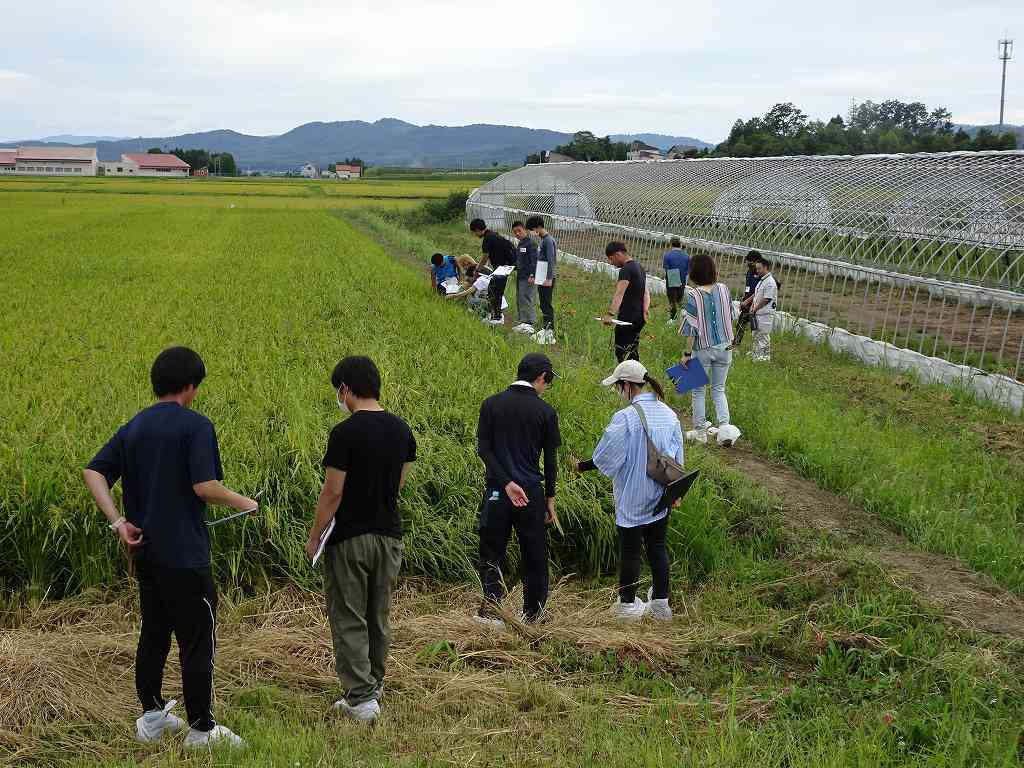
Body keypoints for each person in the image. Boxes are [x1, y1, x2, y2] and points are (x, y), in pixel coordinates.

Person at [82, 346, 258, 749]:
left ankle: (151, 717)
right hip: (185, 555)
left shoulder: (134, 427)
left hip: (147, 553)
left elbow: (93, 471)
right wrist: (243, 502)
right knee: (198, 638)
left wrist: (118, 522)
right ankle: (201, 728)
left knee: (155, 633)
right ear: (190, 386)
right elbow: (204, 487)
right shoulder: (195, 426)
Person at [305, 356, 416, 723]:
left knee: (349, 615)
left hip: (350, 536)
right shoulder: (403, 431)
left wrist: (315, 534)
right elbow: (398, 485)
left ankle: (361, 698)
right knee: (377, 613)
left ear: (346, 389)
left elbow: (332, 492)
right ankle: (374, 685)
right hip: (389, 536)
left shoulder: (345, 433)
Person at [575, 360, 682, 622]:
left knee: (631, 551)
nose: (618, 393)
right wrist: (676, 493)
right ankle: (660, 605)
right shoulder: (669, 414)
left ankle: (626, 607)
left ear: (626, 386)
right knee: (657, 547)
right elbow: (678, 457)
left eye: (617, 387)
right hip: (660, 494)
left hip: (633, 495)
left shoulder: (625, 418)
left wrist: (580, 465)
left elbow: (605, 456)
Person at [475, 353, 561, 626]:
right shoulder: (545, 412)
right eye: (549, 381)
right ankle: (533, 615)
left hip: (498, 491)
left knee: (492, 551)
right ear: (541, 377)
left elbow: (484, 450)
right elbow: (550, 460)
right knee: (534, 553)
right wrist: (550, 497)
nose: (547, 386)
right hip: (530, 493)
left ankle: (492, 610)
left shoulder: (491, 405)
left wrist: (505, 483)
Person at [680, 253, 738, 446]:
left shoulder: (693, 295)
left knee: (698, 390)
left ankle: (700, 432)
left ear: (693, 272)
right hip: (725, 346)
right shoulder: (723, 289)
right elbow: (731, 314)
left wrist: (687, 354)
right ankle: (725, 430)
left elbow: (691, 328)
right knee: (719, 389)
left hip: (703, 348)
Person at [603, 241, 650, 362]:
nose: (611, 263)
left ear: (618, 254)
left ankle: (627, 379)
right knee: (632, 350)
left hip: (627, 318)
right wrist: (645, 310)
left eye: (611, 259)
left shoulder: (626, 269)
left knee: (622, 352)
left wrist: (610, 314)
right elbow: (646, 293)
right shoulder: (639, 267)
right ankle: (637, 378)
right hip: (638, 318)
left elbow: (619, 294)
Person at [470, 218, 516, 325]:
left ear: (477, 229)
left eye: (474, 232)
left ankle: (497, 318)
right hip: (504, 268)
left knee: (495, 292)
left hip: (501, 269)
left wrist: (477, 269)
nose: (475, 235)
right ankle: (496, 315)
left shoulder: (488, 238)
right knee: (494, 291)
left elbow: (485, 257)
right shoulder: (494, 235)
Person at [526, 215, 557, 345]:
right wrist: (535, 276)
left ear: (537, 227)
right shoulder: (543, 240)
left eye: (532, 229)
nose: (532, 232)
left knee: (546, 303)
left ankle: (549, 331)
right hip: (541, 276)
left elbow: (551, 260)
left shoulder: (548, 240)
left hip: (547, 278)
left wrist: (549, 278)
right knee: (543, 303)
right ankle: (545, 328)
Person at [749, 255, 779, 362]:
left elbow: (766, 299)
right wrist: (752, 307)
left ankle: (764, 358)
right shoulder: (762, 281)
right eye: (756, 269)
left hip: (765, 314)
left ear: (766, 267)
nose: (757, 271)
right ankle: (757, 354)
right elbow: (757, 296)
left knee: (763, 335)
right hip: (758, 313)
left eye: (759, 268)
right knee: (756, 334)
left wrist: (755, 308)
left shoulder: (770, 282)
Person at [510, 220, 538, 334]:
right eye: (514, 232)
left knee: (527, 298)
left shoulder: (531, 244)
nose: (517, 233)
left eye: (519, 231)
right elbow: (520, 261)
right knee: (521, 298)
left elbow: (534, 261)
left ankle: (529, 323)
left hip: (528, 276)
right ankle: (523, 321)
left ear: (525, 230)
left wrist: (533, 274)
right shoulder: (520, 244)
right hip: (521, 276)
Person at [730, 251, 761, 350]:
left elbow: (759, 291)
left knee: (756, 329)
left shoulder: (761, 275)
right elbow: (748, 288)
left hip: (756, 306)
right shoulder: (749, 272)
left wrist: (747, 301)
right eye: (747, 262)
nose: (748, 264)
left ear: (756, 261)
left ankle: (757, 350)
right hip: (747, 305)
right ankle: (735, 346)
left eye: (750, 262)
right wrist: (744, 299)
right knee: (740, 325)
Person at [662, 237, 690, 325]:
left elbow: (666, 269)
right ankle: (684, 312)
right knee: (680, 298)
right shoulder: (686, 256)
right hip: (683, 277)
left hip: (672, 275)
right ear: (680, 244)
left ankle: (673, 319)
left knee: (672, 299)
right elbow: (688, 270)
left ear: (671, 244)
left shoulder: (668, 255)